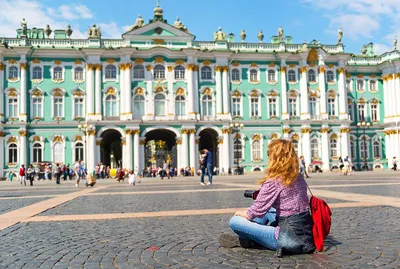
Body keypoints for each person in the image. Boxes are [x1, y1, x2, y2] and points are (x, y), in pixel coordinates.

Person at [219, 139, 315, 256]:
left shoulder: (274, 181)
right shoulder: (298, 176)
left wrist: (241, 213)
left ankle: (251, 240)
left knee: (235, 221)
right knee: (269, 210)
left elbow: (256, 210)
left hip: (287, 238)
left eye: (269, 154)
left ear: (274, 157)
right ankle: (254, 237)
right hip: (304, 233)